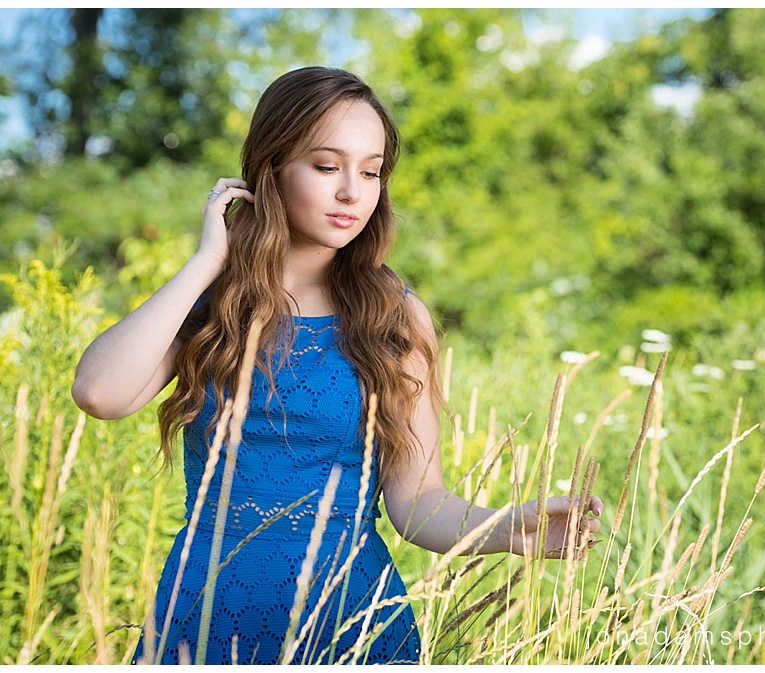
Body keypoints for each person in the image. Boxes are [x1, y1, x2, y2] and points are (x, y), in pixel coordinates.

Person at [71, 66, 604, 665]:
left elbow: (417, 502)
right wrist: (208, 261)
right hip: (205, 612)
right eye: (327, 167)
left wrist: (509, 529)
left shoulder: (395, 318)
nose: (353, 191)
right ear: (271, 169)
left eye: (371, 171)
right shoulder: (208, 309)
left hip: (350, 618)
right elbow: (99, 392)